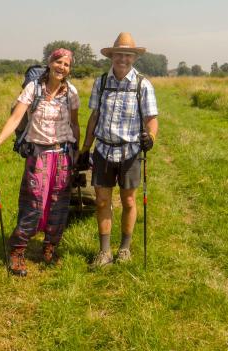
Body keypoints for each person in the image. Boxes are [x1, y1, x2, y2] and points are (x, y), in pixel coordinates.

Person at [0, 48, 80, 277]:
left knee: (58, 203)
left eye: (66, 65)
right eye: (58, 62)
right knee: (33, 203)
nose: (62, 67)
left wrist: (76, 150)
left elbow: (75, 125)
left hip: (63, 154)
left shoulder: (71, 92)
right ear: (50, 62)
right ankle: (17, 250)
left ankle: (50, 247)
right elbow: (16, 117)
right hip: (38, 154)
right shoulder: (33, 88)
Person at [78, 32, 158, 268]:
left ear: (134, 58)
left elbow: (152, 119)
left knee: (129, 201)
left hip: (130, 152)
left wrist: (150, 137)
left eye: (128, 55)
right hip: (103, 150)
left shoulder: (143, 85)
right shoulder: (101, 82)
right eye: (118, 54)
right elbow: (94, 117)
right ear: (111, 57)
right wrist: (85, 149)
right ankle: (104, 252)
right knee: (102, 201)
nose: (123, 59)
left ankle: (124, 248)